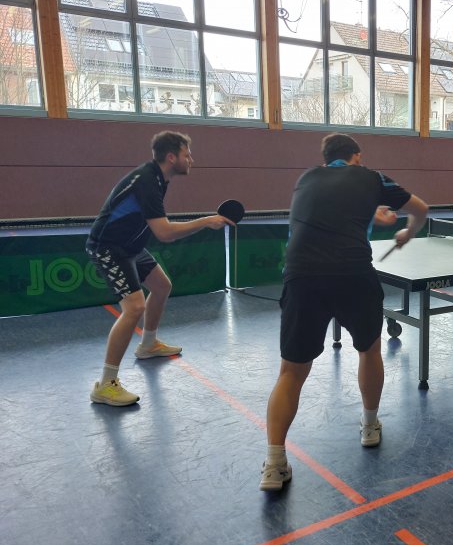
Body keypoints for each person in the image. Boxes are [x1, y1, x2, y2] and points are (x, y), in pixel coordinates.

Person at [259, 133, 429, 492]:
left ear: (325, 160)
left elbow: (331, 214)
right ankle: (369, 425)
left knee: (291, 372)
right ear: (358, 157)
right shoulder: (371, 177)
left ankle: (274, 463)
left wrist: (372, 214)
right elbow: (421, 209)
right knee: (369, 350)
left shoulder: (306, 179)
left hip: (302, 276)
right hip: (353, 273)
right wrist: (406, 233)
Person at [86, 131, 232, 406]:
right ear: (171, 157)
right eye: (187, 154)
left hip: (130, 246)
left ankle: (148, 344)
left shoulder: (158, 178)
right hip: (108, 248)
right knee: (134, 308)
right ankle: (105, 385)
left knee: (162, 286)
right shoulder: (147, 181)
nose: (192, 159)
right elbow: (164, 233)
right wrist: (205, 221)